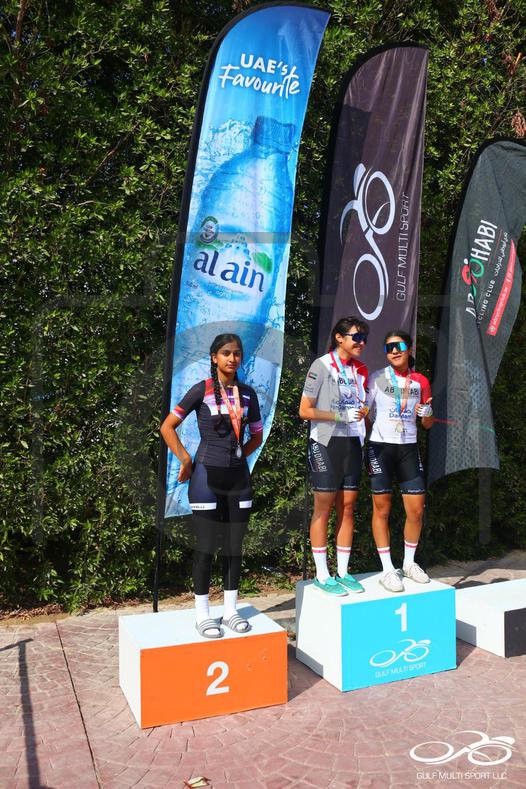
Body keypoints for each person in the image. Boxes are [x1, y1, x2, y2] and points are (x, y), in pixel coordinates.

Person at [160, 333, 263, 638]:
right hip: (205, 477)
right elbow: (167, 427)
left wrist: (238, 456)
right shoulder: (201, 390)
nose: (232, 358)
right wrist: (185, 459)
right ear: (214, 358)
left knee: (234, 548)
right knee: (205, 548)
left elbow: (256, 435)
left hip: (238, 479)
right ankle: (203, 614)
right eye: (226, 353)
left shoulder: (248, 394)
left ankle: (230, 611)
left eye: (237, 353)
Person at [299, 317, 369, 596]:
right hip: (325, 442)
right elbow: (305, 410)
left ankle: (343, 571)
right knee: (324, 508)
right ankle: (321, 574)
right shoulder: (321, 365)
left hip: (352, 442)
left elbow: (360, 404)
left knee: (348, 507)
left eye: (364, 338)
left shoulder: (360, 369)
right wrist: (340, 415)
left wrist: (362, 412)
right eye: (356, 337)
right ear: (339, 338)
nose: (361, 343)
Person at [366, 330, 434, 593]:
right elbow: (364, 412)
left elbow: (427, 423)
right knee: (381, 509)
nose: (394, 351)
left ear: (409, 348)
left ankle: (408, 563)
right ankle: (387, 569)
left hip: (408, 448)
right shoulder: (377, 378)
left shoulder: (421, 381)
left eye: (399, 346)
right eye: (389, 347)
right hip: (381, 448)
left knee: (416, 510)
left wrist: (427, 413)